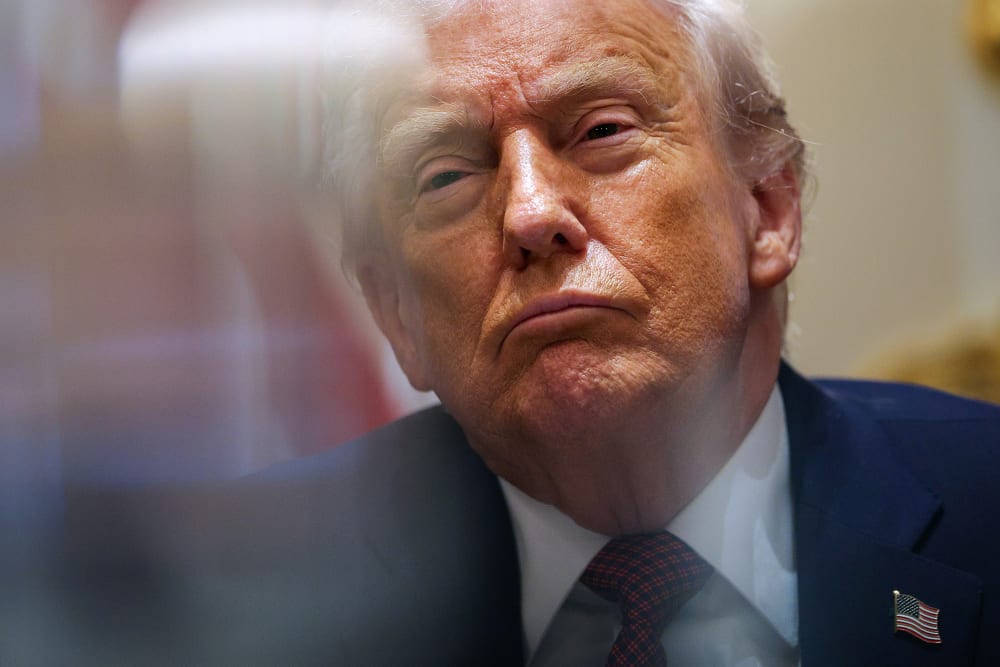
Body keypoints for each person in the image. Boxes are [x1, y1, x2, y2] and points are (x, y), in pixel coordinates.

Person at [8, 0, 998, 665]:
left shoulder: (981, 500)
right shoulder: (250, 607)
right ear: (395, 312)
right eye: (445, 176)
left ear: (767, 209)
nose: (529, 213)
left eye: (602, 130)